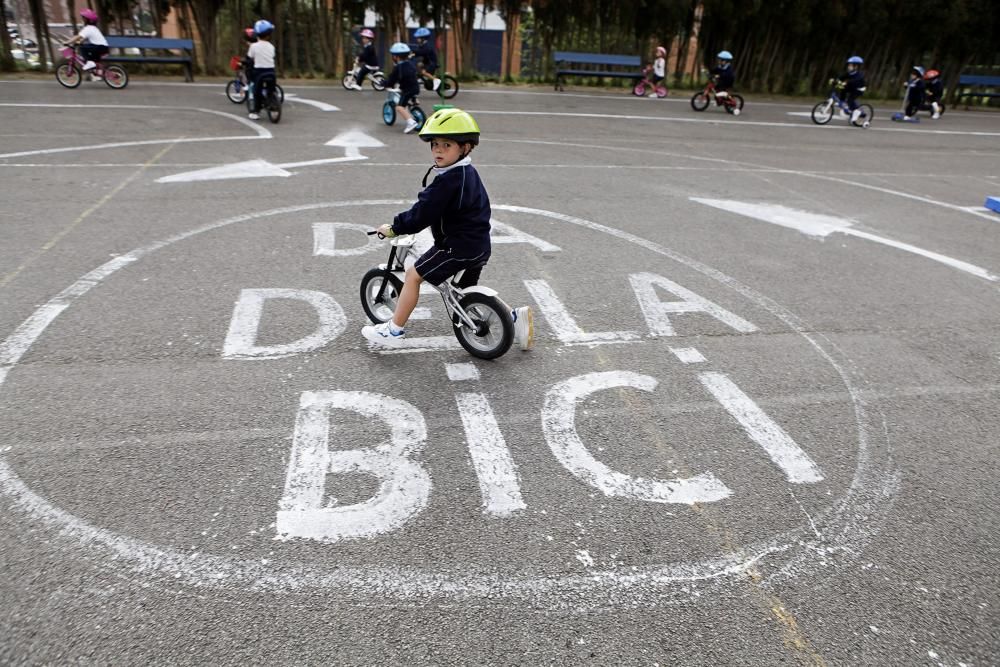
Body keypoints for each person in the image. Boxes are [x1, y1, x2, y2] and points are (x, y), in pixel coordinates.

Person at [362, 108, 533, 351]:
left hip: (456, 247)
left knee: (413, 276)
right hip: (478, 245)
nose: (438, 150)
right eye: (434, 144)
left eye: (447, 144)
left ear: (465, 147)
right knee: (463, 293)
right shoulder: (468, 173)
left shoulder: (447, 181)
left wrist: (393, 228)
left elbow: (422, 213)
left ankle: (393, 330)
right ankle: (513, 317)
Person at [386, 42, 422, 134]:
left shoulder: (398, 67)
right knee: (409, 101)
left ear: (396, 57)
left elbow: (392, 79)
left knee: (399, 107)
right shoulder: (410, 64)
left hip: (407, 90)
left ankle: (411, 122)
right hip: (415, 88)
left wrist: (385, 84)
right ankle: (415, 104)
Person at [246, 19, 276, 120]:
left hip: (259, 72)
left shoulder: (253, 46)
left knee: (256, 92)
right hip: (271, 71)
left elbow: (250, 58)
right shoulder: (271, 46)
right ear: (269, 35)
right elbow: (272, 56)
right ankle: (273, 102)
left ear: (257, 34)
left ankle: (256, 111)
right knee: (271, 90)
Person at [836, 55, 867, 124]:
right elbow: (841, 77)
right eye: (848, 65)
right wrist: (836, 81)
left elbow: (855, 80)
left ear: (856, 67)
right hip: (852, 87)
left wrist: (846, 82)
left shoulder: (860, 74)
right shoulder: (849, 73)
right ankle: (842, 101)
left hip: (859, 89)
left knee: (850, 100)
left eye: (850, 65)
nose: (848, 67)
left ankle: (857, 111)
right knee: (842, 89)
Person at [413, 27, 441, 91]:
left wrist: (413, 52)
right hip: (427, 61)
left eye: (418, 38)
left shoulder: (427, 45)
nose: (417, 39)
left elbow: (422, 52)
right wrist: (413, 54)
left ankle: (436, 80)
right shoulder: (423, 44)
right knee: (419, 64)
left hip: (431, 63)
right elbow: (420, 51)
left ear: (423, 38)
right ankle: (421, 77)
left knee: (423, 72)